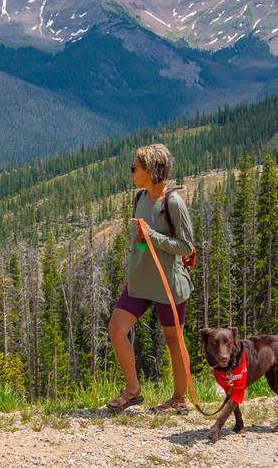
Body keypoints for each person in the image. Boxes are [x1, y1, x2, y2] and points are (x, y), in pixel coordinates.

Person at [106, 143, 195, 413]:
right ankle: (133, 391)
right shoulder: (139, 199)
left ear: (150, 171)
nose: (131, 171)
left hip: (169, 283)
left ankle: (180, 399)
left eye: (135, 167)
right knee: (116, 329)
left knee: (173, 340)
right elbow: (140, 244)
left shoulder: (173, 203)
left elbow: (186, 246)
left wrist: (152, 237)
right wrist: (133, 270)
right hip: (141, 281)